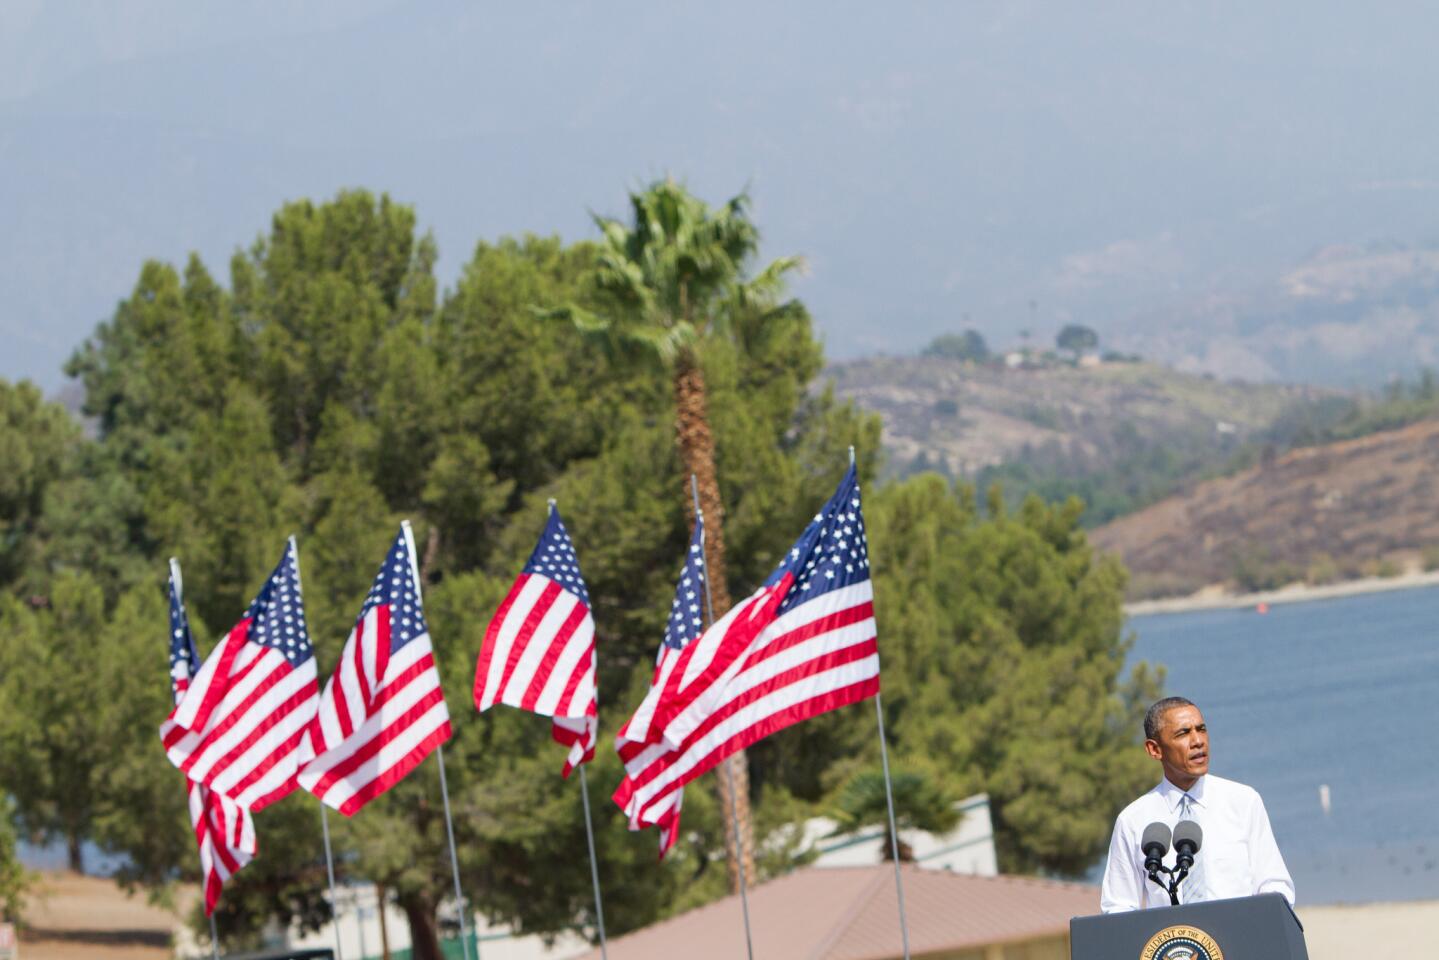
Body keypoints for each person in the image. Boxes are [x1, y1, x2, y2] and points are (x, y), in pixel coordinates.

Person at [1100, 696, 1294, 912]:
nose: (1198, 741)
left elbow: (1276, 885)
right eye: (1183, 733)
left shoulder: (1244, 802)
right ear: (1155, 749)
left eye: (1201, 729)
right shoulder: (1133, 821)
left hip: (1242, 939)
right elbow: (1118, 906)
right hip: (1172, 945)